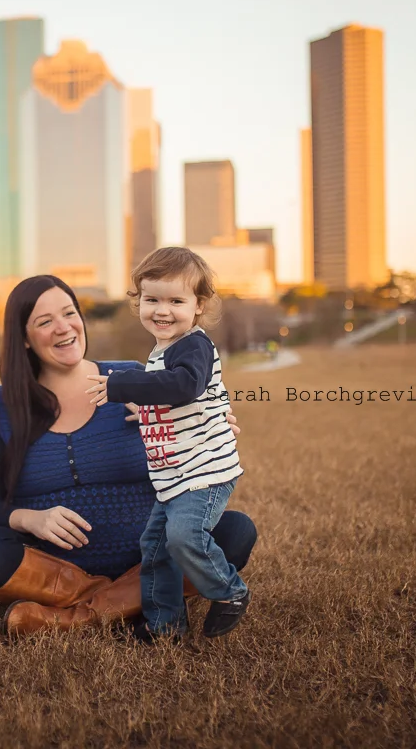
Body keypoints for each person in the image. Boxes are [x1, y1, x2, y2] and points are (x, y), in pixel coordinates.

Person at [0, 274, 256, 635]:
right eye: (44, 322)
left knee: (235, 531)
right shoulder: (0, 406)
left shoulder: (134, 379)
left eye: (69, 313)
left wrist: (210, 427)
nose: (63, 328)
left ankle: (75, 617)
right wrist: (31, 519)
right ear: (24, 338)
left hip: (148, 553)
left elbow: (195, 427)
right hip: (54, 566)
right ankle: (130, 604)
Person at [87, 247, 249, 641]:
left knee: (183, 537)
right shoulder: (161, 352)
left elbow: (184, 387)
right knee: (156, 547)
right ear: (138, 301)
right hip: (173, 478)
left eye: (176, 300)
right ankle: (165, 626)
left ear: (199, 305)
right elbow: (170, 399)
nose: (162, 310)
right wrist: (145, 413)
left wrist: (120, 385)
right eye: (152, 299)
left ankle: (229, 592)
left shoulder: (193, 345)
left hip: (204, 474)